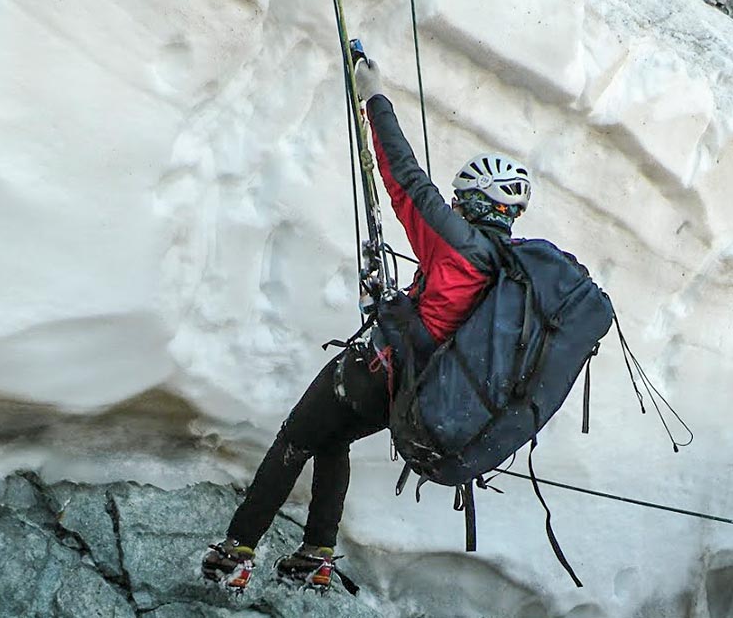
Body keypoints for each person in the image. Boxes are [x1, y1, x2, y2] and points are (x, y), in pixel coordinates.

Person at [201, 56, 533, 592]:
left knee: (295, 436)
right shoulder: (508, 271)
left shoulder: (458, 244)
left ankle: (236, 550)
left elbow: (404, 177)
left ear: (472, 202)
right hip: (409, 396)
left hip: (374, 369)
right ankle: (316, 555)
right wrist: (394, 303)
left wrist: (373, 97)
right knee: (333, 442)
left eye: (460, 199)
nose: (451, 204)